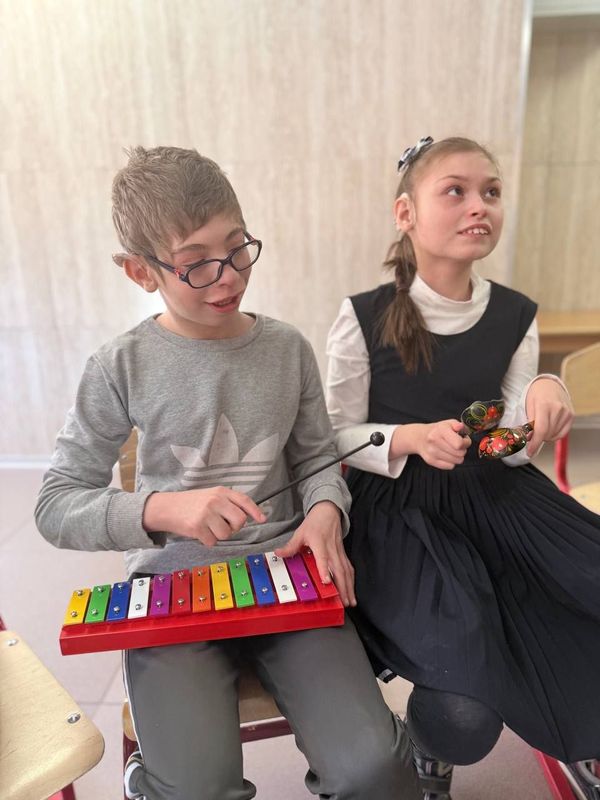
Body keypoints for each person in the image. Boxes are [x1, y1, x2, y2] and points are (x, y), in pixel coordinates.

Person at [35, 146, 421, 800]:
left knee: (375, 770)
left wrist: (326, 509)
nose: (228, 276)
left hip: (287, 579)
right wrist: (161, 510)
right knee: (196, 790)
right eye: (196, 264)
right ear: (140, 271)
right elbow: (55, 504)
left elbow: (317, 458)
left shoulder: (287, 349)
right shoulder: (119, 366)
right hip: (172, 591)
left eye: (238, 247)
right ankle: (150, 779)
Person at [325, 136, 600, 800]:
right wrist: (409, 439)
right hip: (402, 514)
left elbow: (511, 437)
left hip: (498, 496)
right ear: (406, 213)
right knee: (464, 709)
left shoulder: (514, 313)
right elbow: (331, 438)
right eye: (455, 190)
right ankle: (431, 751)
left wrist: (544, 396)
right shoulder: (362, 317)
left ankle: (587, 729)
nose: (479, 206)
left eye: (491, 192)